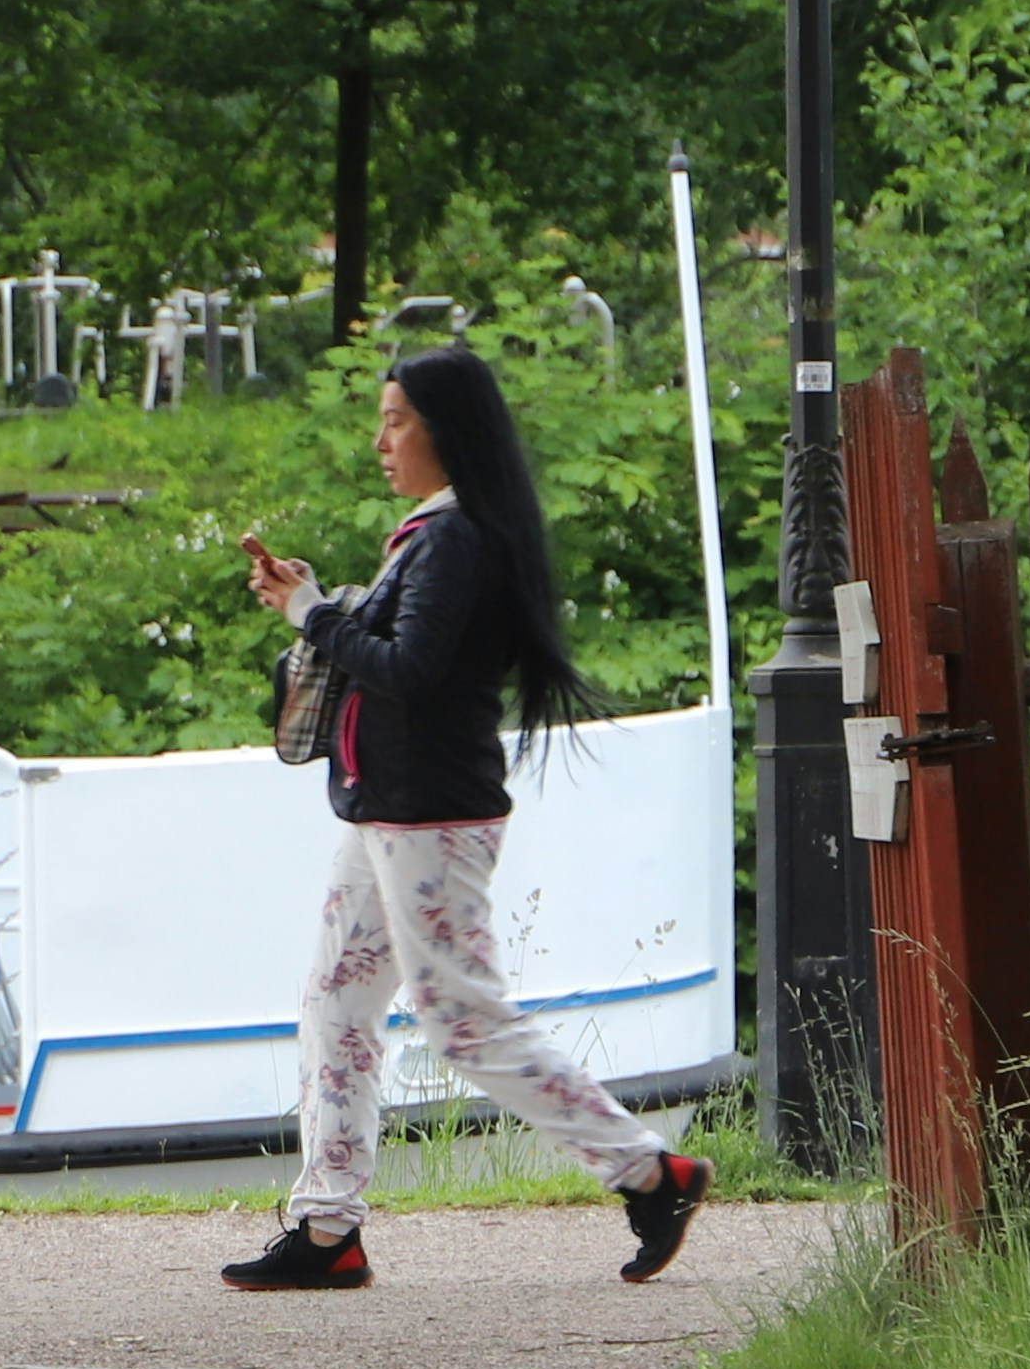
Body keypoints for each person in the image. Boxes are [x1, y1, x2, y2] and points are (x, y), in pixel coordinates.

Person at [222, 345, 707, 1293]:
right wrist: (321, 604)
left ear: (446, 429)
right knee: (335, 999)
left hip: (431, 820)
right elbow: (402, 652)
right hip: (387, 813)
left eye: (396, 419)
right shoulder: (434, 533)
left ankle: (651, 1170)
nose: (380, 440)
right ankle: (327, 1227)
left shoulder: (457, 540)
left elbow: (408, 670)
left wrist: (314, 614)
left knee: (462, 1022)